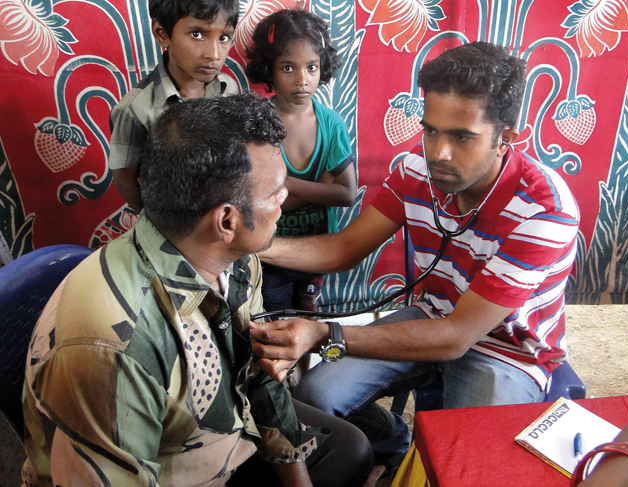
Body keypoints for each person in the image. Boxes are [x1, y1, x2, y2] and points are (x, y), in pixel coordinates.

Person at [250, 42, 580, 472]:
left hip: (506, 350)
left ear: (505, 140)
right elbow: (343, 248)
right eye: (430, 130)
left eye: (461, 136)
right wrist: (255, 245)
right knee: (312, 396)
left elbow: (458, 336)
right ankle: (390, 438)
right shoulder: (413, 171)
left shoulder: (545, 210)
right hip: (429, 316)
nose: (438, 153)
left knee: (464, 466)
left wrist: (326, 333)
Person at [21, 94, 373, 487]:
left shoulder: (236, 258)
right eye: (276, 192)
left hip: (221, 438)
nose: (285, 198)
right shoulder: (112, 348)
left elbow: (255, 377)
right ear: (227, 219)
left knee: (349, 451)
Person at [245, 9, 357, 313]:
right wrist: (320, 186)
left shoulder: (332, 125)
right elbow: (258, 199)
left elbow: (346, 194)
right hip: (271, 254)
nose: (301, 79)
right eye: (287, 68)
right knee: (276, 319)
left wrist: (289, 184)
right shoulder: (258, 124)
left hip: (318, 252)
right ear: (268, 69)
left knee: (308, 317)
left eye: (311, 67)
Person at [108, 0, 240, 213]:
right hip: (173, 221)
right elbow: (124, 180)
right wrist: (155, 221)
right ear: (162, 34)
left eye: (223, 37)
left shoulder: (229, 89)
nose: (214, 54)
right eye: (197, 34)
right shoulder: (136, 110)